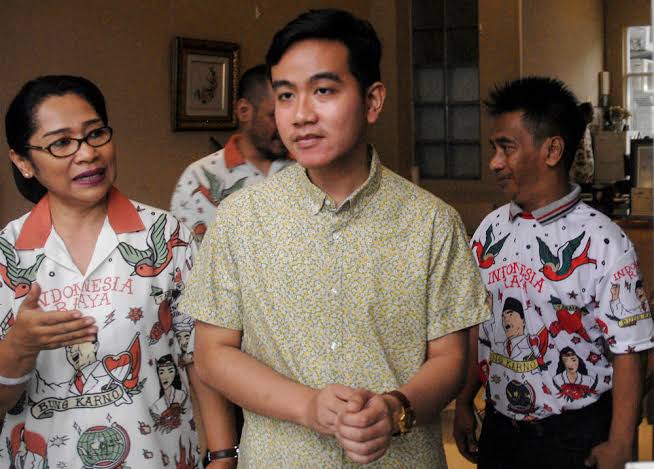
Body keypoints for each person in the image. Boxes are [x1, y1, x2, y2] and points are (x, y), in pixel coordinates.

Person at [179, 8, 489, 468]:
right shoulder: (242, 218)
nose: (302, 115)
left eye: (323, 91)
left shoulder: (431, 222)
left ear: (372, 101)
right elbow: (212, 354)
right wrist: (308, 407)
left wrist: (395, 409)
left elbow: (449, 359)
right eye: (286, 95)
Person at [0, 75, 220, 468]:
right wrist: (19, 347)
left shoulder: (165, 236)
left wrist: (221, 455)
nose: (87, 154)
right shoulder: (7, 255)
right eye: (61, 143)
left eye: (95, 134)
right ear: (23, 162)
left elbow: (201, 357)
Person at [453, 76, 654, 469]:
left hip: (573, 436)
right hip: (500, 427)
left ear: (552, 150)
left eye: (507, 147)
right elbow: (481, 324)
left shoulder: (604, 242)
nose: (495, 162)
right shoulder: (490, 231)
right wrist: (463, 401)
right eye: (494, 148)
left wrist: (620, 442)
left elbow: (630, 349)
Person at [170, 64, 292, 244]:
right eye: (274, 115)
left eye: (291, 114)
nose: (287, 125)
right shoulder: (199, 177)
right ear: (244, 111)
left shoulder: (312, 169)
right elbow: (183, 255)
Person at [570, 101, 595, 186]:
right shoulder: (575, 128)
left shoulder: (587, 129)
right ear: (584, 114)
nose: (593, 116)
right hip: (578, 171)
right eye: (591, 113)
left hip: (587, 171)